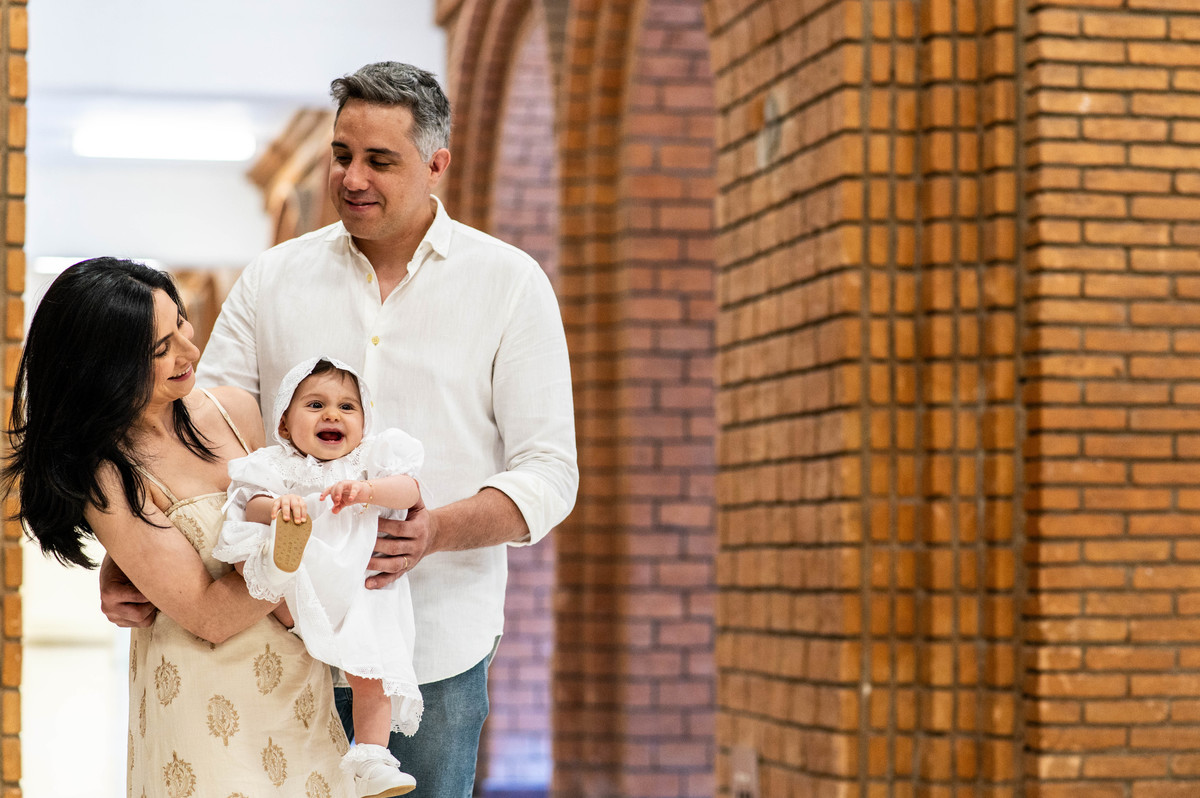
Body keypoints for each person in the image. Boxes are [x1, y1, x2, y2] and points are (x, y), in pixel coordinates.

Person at [100, 62, 578, 797]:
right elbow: (195, 428)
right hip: (278, 643)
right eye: (342, 154)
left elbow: (550, 472)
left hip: (431, 651)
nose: (352, 177)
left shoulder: (509, 285)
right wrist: (134, 552)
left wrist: (434, 530)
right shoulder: (273, 278)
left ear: (436, 165)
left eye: (380, 161)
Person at [4, 258, 356, 797]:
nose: (190, 351)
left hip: (299, 692)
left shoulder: (236, 408)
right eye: (159, 348)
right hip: (204, 710)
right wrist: (294, 550)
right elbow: (212, 615)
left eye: (182, 325)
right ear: (103, 366)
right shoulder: (108, 474)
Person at [214, 356, 426, 797]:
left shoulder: (369, 461)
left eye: (347, 407)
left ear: (364, 425)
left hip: (358, 584)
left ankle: (372, 758)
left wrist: (369, 492)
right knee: (246, 540)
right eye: (315, 405)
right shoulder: (278, 463)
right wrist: (278, 507)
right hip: (304, 575)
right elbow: (248, 500)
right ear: (286, 426)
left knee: (374, 667)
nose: (332, 415)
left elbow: (411, 491)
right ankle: (284, 591)